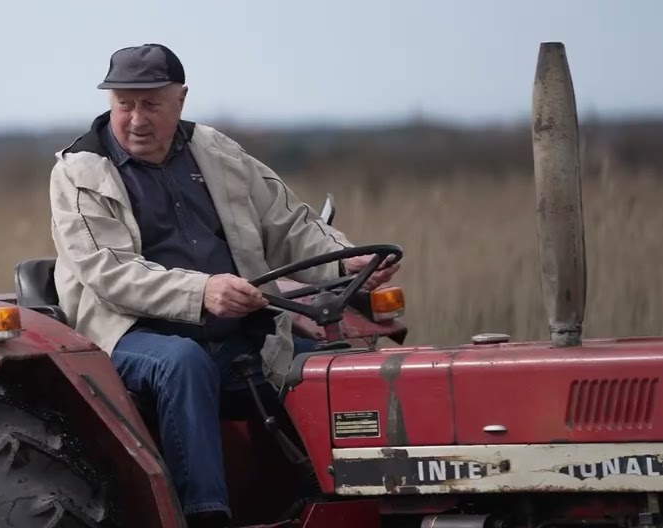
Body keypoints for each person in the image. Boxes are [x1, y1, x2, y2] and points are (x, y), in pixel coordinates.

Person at [47, 43, 399, 528]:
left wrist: (347, 262)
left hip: (233, 324)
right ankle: (206, 515)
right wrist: (203, 292)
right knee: (183, 364)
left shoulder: (216, 151)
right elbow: (110, 273)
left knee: (324, 367)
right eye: (124, 104)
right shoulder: (79, 171)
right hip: (127, 333)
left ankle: (349, 505)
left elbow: (289, 223)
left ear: (181, 100)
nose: (136, 119)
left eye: (151, 104)